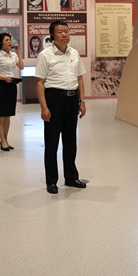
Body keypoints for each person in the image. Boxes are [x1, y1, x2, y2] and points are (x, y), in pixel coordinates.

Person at [35, 20, 87, 194]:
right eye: (60, 31)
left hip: (72, 100)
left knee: (70, 141)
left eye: (66, 31)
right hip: (54, 99)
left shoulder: (74, 53)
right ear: (52, 35)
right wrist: (44, 107)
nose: (64, 34)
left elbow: (80, 78)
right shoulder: (45, 55)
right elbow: (39, 82)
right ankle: (51, 181)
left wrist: (82, 101)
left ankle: (71, 177)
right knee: (52, 142)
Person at [0, 33, 24, 151]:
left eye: (10, 40)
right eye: (7, 40)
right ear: (0, 43)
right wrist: (4, 78)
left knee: (8, 115)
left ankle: (5, 139)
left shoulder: (13, 55)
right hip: (2, 86)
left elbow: (22, 67)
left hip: (12, 86)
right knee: (1, 115)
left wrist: (18, 52)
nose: (10, 42)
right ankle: (2, 140)